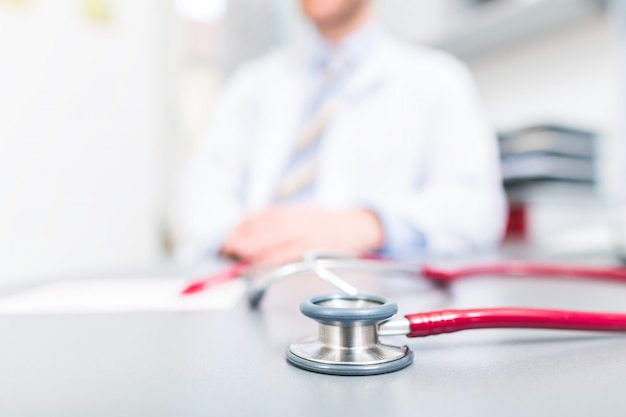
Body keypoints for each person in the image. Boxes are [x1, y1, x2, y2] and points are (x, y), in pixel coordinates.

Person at [173, 0, 507, 266]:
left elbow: (477, 210)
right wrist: (249, 238)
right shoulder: (252, 84)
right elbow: (199, 194)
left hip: (374, 302)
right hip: (253, 283)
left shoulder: (439, 80)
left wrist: (371, 226)